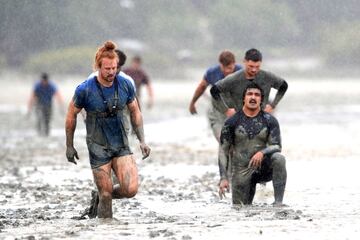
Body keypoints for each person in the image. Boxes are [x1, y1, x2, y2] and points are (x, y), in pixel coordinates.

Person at [65, 41, 151, 218]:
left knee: (130, 189)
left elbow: (135, 110)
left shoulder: (126, 83)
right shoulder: (85, 88)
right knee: (106, 193)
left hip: (120, 142)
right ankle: (105, 230)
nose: (112, 72)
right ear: (98, 67)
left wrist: (142, 140)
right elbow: (71, 115)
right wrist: (69, 145)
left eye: (114, 68)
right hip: (98, 144)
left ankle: (101, 195)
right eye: (107, 69)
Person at [218, 82, 287, 206]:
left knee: (279, 158)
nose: (253, 97)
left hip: (263, 168)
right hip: (242, 170)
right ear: (244, 98)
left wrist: (262, 152)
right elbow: (223, 150)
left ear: (261, 100)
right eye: (250, 94)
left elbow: (277, 146)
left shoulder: (269, 120)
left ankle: (278, 203)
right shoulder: (231, 122)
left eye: (257, 95)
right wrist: (223, 178)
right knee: (240, 209)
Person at [210, 48, 288, 114]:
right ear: (245, 61)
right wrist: (226, 110)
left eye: (257, 66)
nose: (254, 70)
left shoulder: (267, 76)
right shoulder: (234, 78)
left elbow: (284, 86)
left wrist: (272, 105)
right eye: (251, 66)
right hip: (240, 120)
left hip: (262, 119)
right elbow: (214, 90)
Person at [189, 50, 242, 142]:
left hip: (235, 109)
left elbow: (253, 90)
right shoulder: (212, 72)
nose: (227, 71)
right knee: (223, 140)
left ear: (234, 63)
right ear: (220, 64)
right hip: (217, 111)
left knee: (237, 140)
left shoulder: (241, 72)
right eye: (224, 68)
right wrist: (193, 102)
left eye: (230, 68)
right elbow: (201, 87)